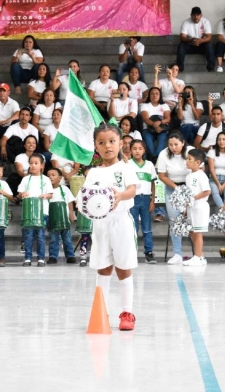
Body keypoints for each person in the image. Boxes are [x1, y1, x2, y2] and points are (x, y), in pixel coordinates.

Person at [81, 123, 139, 331]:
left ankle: (127, 312)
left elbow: (132, 190)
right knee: (103, 267)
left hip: (121, 221)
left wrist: (121, 195)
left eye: (112, 141)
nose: (108, 146)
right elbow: (85, 198)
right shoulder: (93, 173)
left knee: (123, 267)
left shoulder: (126, 168)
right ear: (96, 146)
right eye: (102, 143)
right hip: (100, 224)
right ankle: (101, 310)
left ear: (121, 144)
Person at [156, 131, 191, 265]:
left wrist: (186, 191)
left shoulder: (190, 151)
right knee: (174, 220)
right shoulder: (164, 154)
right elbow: (162, 175)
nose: (173, 147)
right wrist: (176, 188)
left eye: (176, 144)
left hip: (189, 187)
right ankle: (177, 253)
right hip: (172, 187)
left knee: (191, 218)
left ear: (183, 143)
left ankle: (198, 254)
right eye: (170, 145)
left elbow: (200, 168)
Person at [19, 154, 53, 266]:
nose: (33, 166)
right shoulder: (25, 179)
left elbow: (50, 194)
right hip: (29, 212)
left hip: (42, 212)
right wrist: (22, 194)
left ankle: (41, 258)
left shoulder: (46, 179)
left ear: (42, 165)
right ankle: (28, 258)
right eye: (31, 163)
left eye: (36, 163)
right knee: (28, 235)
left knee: (41, 235)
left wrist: (45, 195)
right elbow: (20, 194)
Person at [127, 140, 157, 264]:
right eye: (134, 148)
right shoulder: (127, 164)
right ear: (130, 150)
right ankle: (131, 252)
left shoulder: (149, 165)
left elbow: (153, 183)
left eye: (140, 148)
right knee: (132, 227)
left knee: (147, 227)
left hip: (145, 198)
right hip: (132, 199)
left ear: (144, 150)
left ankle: (148, 252)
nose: (137, 151)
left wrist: (152, 200)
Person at [181, 149, 210, 266]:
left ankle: (197, 257)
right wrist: (185, 207)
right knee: (192, 232)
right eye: (187, 158)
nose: (187, 161)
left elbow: (207, 191)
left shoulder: (201, 175)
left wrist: (193, 198)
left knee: (198, 233)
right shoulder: (188, 176)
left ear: (197, 162)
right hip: (191, 208)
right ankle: (200, 256)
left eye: (189, 159)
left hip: (200, 207)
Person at [46, 168, 76, 265]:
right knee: (53, 238)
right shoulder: (46, 191)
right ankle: (53, 256)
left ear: (60, 178)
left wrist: (71, 214)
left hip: (64, 218)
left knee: (67, 238)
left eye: (53, 175)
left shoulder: (64, 189)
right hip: (52, 218)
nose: (50, 177)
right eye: (48, 175)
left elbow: (70, 202)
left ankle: (70, 255)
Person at [176, 6, 215, 72]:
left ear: (201, 15)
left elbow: (209, 37)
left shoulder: (206, 22)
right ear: (191, 15)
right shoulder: (186, 22)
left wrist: (201, 41)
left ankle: (211, 68)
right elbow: (182, 37)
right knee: (181, 46)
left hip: (202, 45)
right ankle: (179, 68)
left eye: (198, 15)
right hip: (190, 44)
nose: (196, 17)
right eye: (194, 15)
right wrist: (191, 40)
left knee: (209, 45)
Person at [207, 132, 225, 211]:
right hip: (214, 178)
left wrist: (223, 185)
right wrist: (218, 184)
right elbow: (211, 170)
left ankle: (223, 210)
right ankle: (222, 209)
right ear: (216, 141)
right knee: (215, 192)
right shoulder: (212, 152)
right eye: (219, 139)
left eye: (224, 139)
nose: (221, 142)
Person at [140, 87, 171, 159]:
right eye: (152, 94)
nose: (154, 95)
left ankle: (154, 158)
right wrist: (156, 126)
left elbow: (168, 119)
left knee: (161, 143)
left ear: (160, 95)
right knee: (150, 146)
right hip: (148, 129)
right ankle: (155, 158)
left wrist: (160, 122)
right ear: (149, 96)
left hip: (162, 129)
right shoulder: (145, 105)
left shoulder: (164, 105)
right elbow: (145, 119)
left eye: (157, 93)